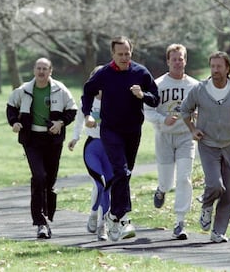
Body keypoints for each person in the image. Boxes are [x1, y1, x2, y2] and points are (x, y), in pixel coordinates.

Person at [81, 36, 160, 241]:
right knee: (120, 170)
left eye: (127, 54)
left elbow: (156, 98)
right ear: (113, 54)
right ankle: (122, 216)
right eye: (120, 54)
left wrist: (143, 95)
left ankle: (112, 217)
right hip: (110, 130)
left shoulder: (141, 72)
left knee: (125, 174)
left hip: (133, 131)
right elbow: (87, 92)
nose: (124, 58)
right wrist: (87, 113)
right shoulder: (104, 74)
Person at [180, 51, 230, 243]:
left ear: (227, 68)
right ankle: (207, 205)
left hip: (229, 144)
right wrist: (192, 129)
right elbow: (185, 109)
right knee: (215, 184)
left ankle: (218, 231)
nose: (215, 70)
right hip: (207, 144)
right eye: (212, 66)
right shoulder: (200, 89)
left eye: (219, 66)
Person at [6, 57, 77, 239]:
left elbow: (72, 110)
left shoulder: (60, 89)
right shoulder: (24, 90)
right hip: (32, 139)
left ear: (50, 71)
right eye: (38, 68)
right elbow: (11, 107)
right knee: (39, 176)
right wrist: (14, 122)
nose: (41, 71)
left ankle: (48, 214)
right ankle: (40, 222)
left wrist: (60, 122)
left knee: (49, 181)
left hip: (53, 140)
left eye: (45, 68)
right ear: (34, 70)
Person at [145, 44, 199, 240]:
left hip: (186, 136)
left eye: (181, 58)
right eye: (174, 59)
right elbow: (148, 110)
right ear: (168, 61)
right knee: (167, 182)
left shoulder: (194, 86)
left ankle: (180, 221)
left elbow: (202, 109)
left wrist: (197, 118)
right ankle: (161, 190)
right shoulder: (158, 85)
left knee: (184, 177)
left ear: (185, 60)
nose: (178, 62)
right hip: (164, 136)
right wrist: (162, 120)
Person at [67, 66, 112, 241]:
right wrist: (75, 138)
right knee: (100, 184)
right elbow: (79, 120)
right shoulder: (87, 101)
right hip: (92, 147)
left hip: (110, 148)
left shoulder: (113, 100)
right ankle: (96, 216)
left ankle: (102, 223)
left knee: (107, 187)